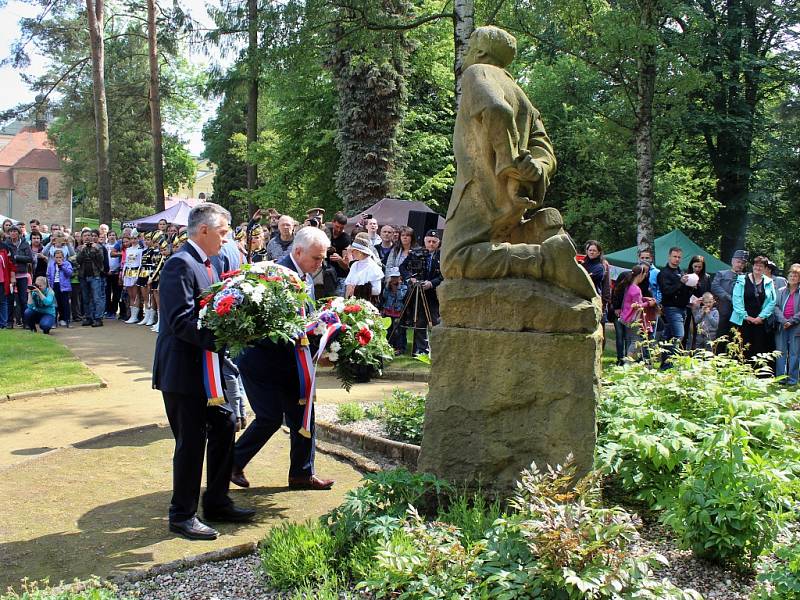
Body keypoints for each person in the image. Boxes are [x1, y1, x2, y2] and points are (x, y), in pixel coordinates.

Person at [440, 26, 595, 299]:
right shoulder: (521, 95)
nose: (464, 56)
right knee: (493, 244)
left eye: (468, 49)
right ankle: (536, 230)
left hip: (481, 192)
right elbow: (544, 148)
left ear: (481, 52)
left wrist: (509, 162)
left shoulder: (477, 72)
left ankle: (543, 257)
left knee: (455, 260)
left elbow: (496, 108)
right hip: (515, 200)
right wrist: (536, 167)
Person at [152, 202, 254, 541]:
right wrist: (226, 335)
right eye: (223, 233)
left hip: (209, 368)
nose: (226, 240)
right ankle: (181, 515)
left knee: (225, 426)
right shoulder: (180, 264)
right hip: (184, 372)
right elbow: (180, 320)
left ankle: (217, 501)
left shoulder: (209, 264)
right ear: (205, 230)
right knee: (191, 443)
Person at [231, 226, 336, 492]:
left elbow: (307, 320)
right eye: (316, 258)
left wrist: (322, 345)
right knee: (269, 418)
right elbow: (266, 327)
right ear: (298, 251)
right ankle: (232, 461)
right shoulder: (272, 277)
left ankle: (302, 474)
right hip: (262, 361)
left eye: (322, 258)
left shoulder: (307, 277)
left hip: (292, 360)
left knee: (304, 414)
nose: (319, 264)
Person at [401, 229, 443, 356]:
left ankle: (438, 349)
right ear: (424, 241)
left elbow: (444, 275)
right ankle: (421, 350)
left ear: (438, 242)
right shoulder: (416, 253)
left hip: (434, 294)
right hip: (417, 292)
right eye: (429, 241)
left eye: (434, 242)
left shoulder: (442, 256)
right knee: (419, 321)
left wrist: (431, 283)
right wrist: (410, 278)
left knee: (435, 321)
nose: (431, 244)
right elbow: (402, 267)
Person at [730, 255, 777, 362]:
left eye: (761, 266)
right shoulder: (741, 279)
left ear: (765, 268)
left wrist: (761, 317)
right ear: (752, 266)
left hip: (760, 321)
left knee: (758, 348)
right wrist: (746, 317)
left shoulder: (769, 281)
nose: (758, 268)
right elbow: (736, 300)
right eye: (756, 265)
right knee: (741, 348)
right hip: (742, 320)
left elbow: (772, 301)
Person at [657, 246, 695, 367]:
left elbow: (684, 291)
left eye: (679, 257)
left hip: (683, 308)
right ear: (669, 256)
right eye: (674, 256)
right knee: (679, 335)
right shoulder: (663, 273)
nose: (677, 259)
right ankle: (670, 364)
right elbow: (666, 291)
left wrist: (691, 287)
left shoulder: (681, 272)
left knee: (668, 336)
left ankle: (665, 364)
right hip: (671, 308)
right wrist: (681, 283)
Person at [617, 265, 656, 359]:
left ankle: (630, 361)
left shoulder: (630, 287)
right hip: (634, 319)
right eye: (644, 274)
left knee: (632, 340)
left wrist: (643, 299)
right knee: (636, 341)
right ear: (640, 275)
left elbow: (633, 301)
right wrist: (649, 303)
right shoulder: (636, 289)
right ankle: (628, 363)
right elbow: (638, 306)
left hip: (627, 318)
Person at [711, 249, 748, 345]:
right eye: (738, 262)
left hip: (738, 313)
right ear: (732, 261)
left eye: (743, 263)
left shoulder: (746, 278)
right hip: (723, 310)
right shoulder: (722, 273)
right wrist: (727, 296)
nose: (740, 265)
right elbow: (715, 286)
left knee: (735, 338)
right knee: (721, 337)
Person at [773, 264, 800, 384]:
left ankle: (793, 380)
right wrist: (784, 321)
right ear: (787, 277)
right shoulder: (781, 291)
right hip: (782, 325)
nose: (793, 277)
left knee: (794, 353)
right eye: (791, 275)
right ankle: (781, 378)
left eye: (796, 275)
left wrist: (792, 321)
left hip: (796, 326)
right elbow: (776, 307)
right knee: (780, 352)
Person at [75, 229, 106, 327]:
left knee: (97, 298)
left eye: (89, 235)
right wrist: (83, 250)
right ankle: (88, 317)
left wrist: (96, 249)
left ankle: (98, 318)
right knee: (86, 298)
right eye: (85, 236)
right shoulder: (79, 248)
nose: (87, 237)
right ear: (82, 238)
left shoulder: (98, 247)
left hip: (95, 275)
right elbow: (78, 261)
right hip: (83, 276)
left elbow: (101, 260)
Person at [345, 233, 384, 303]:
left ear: (359, 252)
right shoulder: (355, 265)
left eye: (353, 250)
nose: (351, 253)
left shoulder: (373, 267)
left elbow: (377, 290)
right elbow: (349, 283)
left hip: (368, 303)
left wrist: (357, 289)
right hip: (352, 301)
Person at [684, 255, 712, 349]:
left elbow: (708, 292)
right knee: (686, 330)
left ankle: (696, 350)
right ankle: (685, 350)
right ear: (691, 265)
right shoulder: (686, 276)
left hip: (700, 307)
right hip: (688, 306)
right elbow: (682, 292)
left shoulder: (706, 277)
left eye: (699, 267)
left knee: (699, 331)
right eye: (695, 266)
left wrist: (703, 300)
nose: (697, 269)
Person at [8, 226, 33, 326]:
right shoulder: (6, 244)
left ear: (19, 233)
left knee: (23, 299)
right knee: (10, 299)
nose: (13, 233)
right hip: (10, 275)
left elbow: (29, 258)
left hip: (22, 275)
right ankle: (9, 322)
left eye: (15, 231)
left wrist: (16, 257)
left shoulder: (25, 244)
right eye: (11, 231)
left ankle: (26, 322)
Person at [382, 266, 408, 354]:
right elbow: (384, 296)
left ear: (400, 277)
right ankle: (389, 346)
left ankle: (400, 348)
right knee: (388, 329)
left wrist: (398, 287)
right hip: (388, 310)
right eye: (392, 277)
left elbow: (401, 297)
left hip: (398, 311)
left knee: (399, 331)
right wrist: (387, 286)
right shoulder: (388, 286)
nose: (394, 279)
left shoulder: (404, 286)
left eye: (396, 277)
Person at [325, 212, 351, 294]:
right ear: (333, 222)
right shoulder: (326, 233)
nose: (339, 230)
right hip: (324, 275)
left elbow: (346, 266)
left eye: (341, 227)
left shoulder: (346, 239)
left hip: (340, 276)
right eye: (337, 226)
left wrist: (339, 259)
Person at [122, 231, 144, 324]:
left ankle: (135, 315)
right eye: (132, 238)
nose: (133, 240)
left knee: (136, 294)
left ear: (138, 239)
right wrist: (123, 273)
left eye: (135, 238)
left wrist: (138, 275)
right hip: (128, 272)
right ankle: (132, 315)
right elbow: (126, 262)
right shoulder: (128, 249)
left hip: (135, 272)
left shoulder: (140, 250)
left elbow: (140, 263)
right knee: (130, 294)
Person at [47, 249, 73, 327]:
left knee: (65, 304)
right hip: (54, 285)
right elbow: (48, 275)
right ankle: (54, 321)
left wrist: (62, 266)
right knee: (55, 304)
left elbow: (70, 273)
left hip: (64, 287)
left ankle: (66, 320)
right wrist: (49, 286)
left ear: (63, 257)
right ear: (54, 257)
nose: (58, 259)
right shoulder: (51, 264)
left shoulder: (67, 264)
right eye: (57, 257)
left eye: (60, 257)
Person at [0, 236, 15, 329]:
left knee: (3, 302)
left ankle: (3, 324)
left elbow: (11, 264)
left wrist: (12, 277)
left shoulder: (5, 248)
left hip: (2, 280)